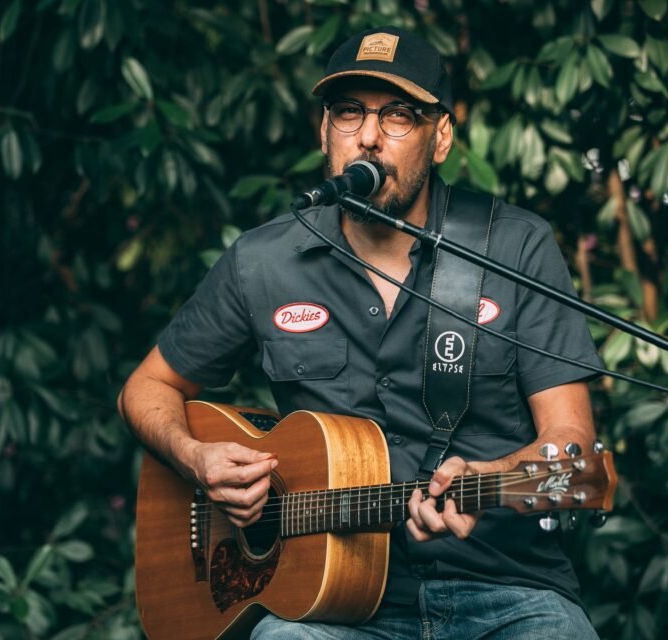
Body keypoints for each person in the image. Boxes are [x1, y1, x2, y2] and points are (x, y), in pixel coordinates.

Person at [118, 25, 603, 639]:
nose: (368, 137)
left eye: (397, 115)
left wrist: (493, 476)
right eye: (349, 112)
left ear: (441, 137)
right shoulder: (263, 262)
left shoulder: (513, 248)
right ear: (324, 131)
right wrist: (195, 458)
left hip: (508, 592)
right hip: (335, 611)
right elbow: (146, 388)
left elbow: (572, 446)